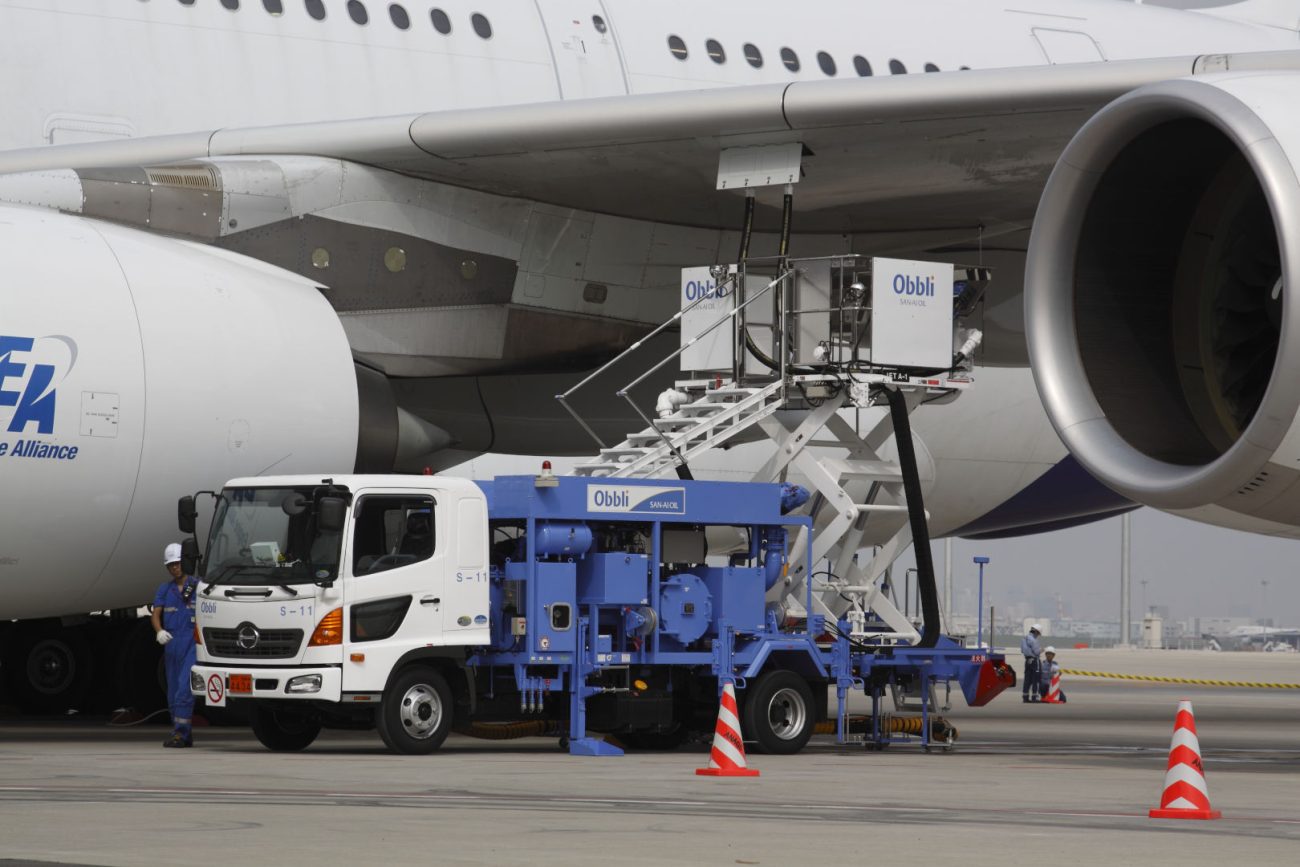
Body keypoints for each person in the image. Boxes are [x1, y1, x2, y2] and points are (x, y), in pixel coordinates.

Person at [152, 543, 199, 747]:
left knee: (183, 689)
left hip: (191, 644)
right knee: (172, 691)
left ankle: (182, 733)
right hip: (171, 645)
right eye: (171, 564)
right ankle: (179, 732)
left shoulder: (197, 586)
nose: (175, 568)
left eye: (178, 563)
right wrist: (159, 631)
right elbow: (156, 614)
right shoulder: (165, 589)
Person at [1020, 623, 1043, 703]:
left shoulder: (1024, 639)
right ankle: (1034, 697)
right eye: (1039, 634)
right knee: (1036, 679)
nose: (1038, 635)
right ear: (1036, 632)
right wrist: (1041, 650)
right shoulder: (1034, 640)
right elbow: (1036, 652)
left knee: (1027, 679)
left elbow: (1022, 650)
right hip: (1034, 660)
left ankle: (1025, 697)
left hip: (1027, 660)